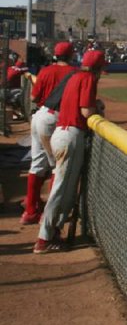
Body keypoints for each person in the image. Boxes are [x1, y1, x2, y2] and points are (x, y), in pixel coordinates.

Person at [33, 49, 105, 254]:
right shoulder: (88, 78)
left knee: (64, 188)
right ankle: (44, 239)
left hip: (61, 133)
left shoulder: (74, 76)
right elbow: (85, 111)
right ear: (97, 68)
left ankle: (52, 232)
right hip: (70, 136)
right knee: (61, 189)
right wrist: (97, 108)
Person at [21, 42, 76, 225]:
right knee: (56, 167)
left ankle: (30, 211)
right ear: (71, 55)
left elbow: (34, 98)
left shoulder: (45, 71)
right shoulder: (74, 73)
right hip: (56, 119)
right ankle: (49, 214)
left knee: (36, 164)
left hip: (39, 116)